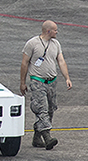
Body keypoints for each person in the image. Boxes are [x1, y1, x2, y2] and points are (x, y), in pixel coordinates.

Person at [20, 20, 73, 149]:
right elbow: (24, 63)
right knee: (41, 109)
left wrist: (67, 78)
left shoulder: (56, 44)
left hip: (52, 81)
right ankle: (47, 137)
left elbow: (61, 61)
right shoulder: (32, 43)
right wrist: (22, 82)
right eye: (55, 30)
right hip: (38, 81)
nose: (57, 32)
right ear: (48, 31)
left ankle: (37, 137)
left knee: (50, 109)